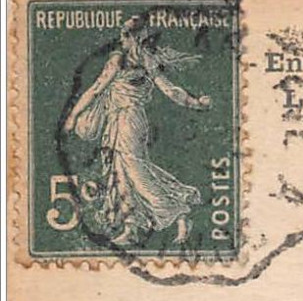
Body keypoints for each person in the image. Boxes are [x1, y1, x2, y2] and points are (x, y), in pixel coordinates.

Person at [63, 18, 213, 247]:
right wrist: (196, 103)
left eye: (125, 35)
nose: (122, 39)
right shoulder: (147, 60)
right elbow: (171, 91)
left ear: (131, 37)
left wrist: (73, 117)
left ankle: (176, 211)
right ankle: (133, 226)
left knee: (134, 173)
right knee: (122, 171)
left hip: (125, 121)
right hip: (130, 121)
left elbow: (95, 90)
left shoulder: (118, 60)